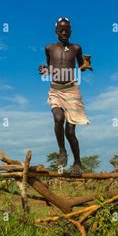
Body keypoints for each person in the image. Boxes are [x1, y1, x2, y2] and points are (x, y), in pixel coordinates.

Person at [38, 17, 90, 176]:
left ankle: (77, 163)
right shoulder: (49, 48)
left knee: (70, 132)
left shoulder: (76, 48)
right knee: (58, 118)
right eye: (61, 30)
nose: (64, 32)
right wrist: (44, 70)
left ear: (71, 31)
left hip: (72, 91)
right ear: (56, 32)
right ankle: (62, 151)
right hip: (56, 91)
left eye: (67, 29)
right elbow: (49, 66)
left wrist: (86, 65)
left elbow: (81, 66)